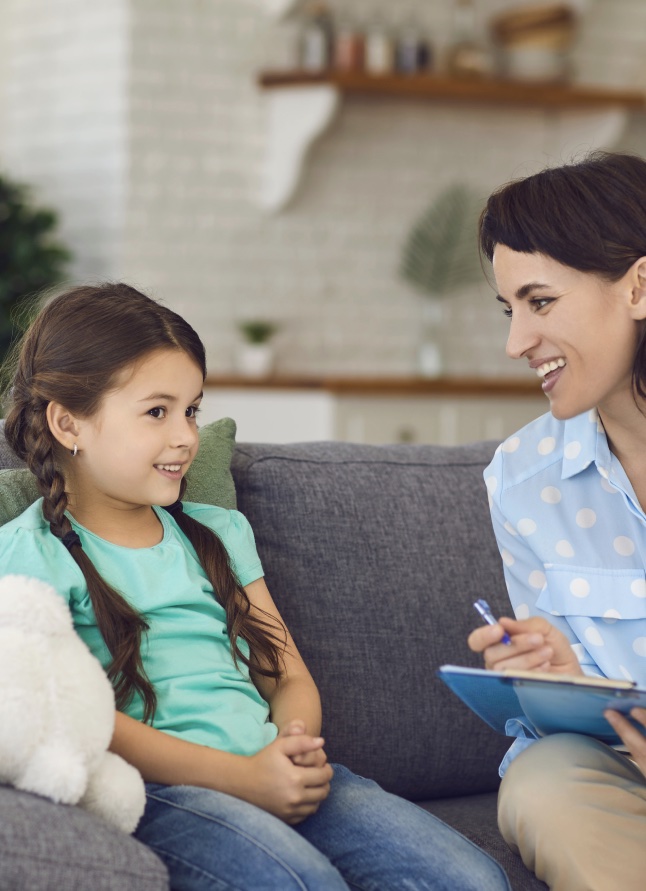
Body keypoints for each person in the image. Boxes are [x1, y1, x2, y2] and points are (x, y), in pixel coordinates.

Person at [0, 282, 510, 891]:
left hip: (271, 766)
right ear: (68, 423)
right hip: (167, 796)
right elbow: (81, 719)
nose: (186, 436)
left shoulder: (218, 532)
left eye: (191, 409)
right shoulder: (28, 558)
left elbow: (286, 674)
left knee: (471, 878)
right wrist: (240, 780)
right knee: (298, 881)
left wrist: (290, 752)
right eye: (156, 411)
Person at [468, 151, 646, 891]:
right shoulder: (521, 477)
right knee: (543, 782)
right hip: (618, 765)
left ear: (639, 285)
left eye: (540, 303)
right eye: (510, 311)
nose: (517, 343)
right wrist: (564, 677)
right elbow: (584, 710)